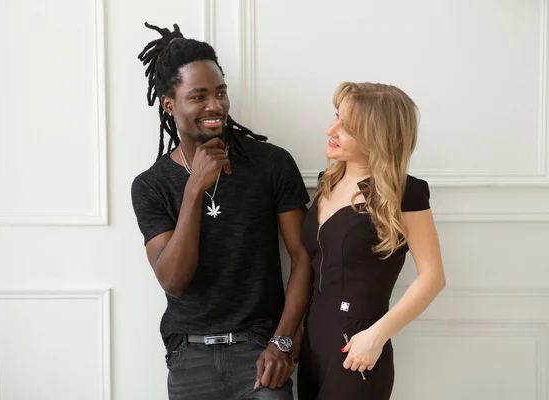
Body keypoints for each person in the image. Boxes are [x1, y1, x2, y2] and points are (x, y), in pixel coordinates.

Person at [131, 23, 313, 399]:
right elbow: (174, 281)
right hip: (190, 358)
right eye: (198, 96)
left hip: (261, 354)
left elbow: (303, 256)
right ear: (170, 103)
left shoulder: (272, 164)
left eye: (220, 93)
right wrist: (194, 188)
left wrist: (282, 341)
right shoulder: (151, 185)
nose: (215, 106)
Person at [296, 82, 446, 400]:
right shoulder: (328, 182)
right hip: (312, 344)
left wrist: (376, 336)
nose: (331, 129)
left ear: (377, 136)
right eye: (336, 116)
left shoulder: (405, 193)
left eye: (346, 127)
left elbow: (433, 277)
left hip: (356, 346)